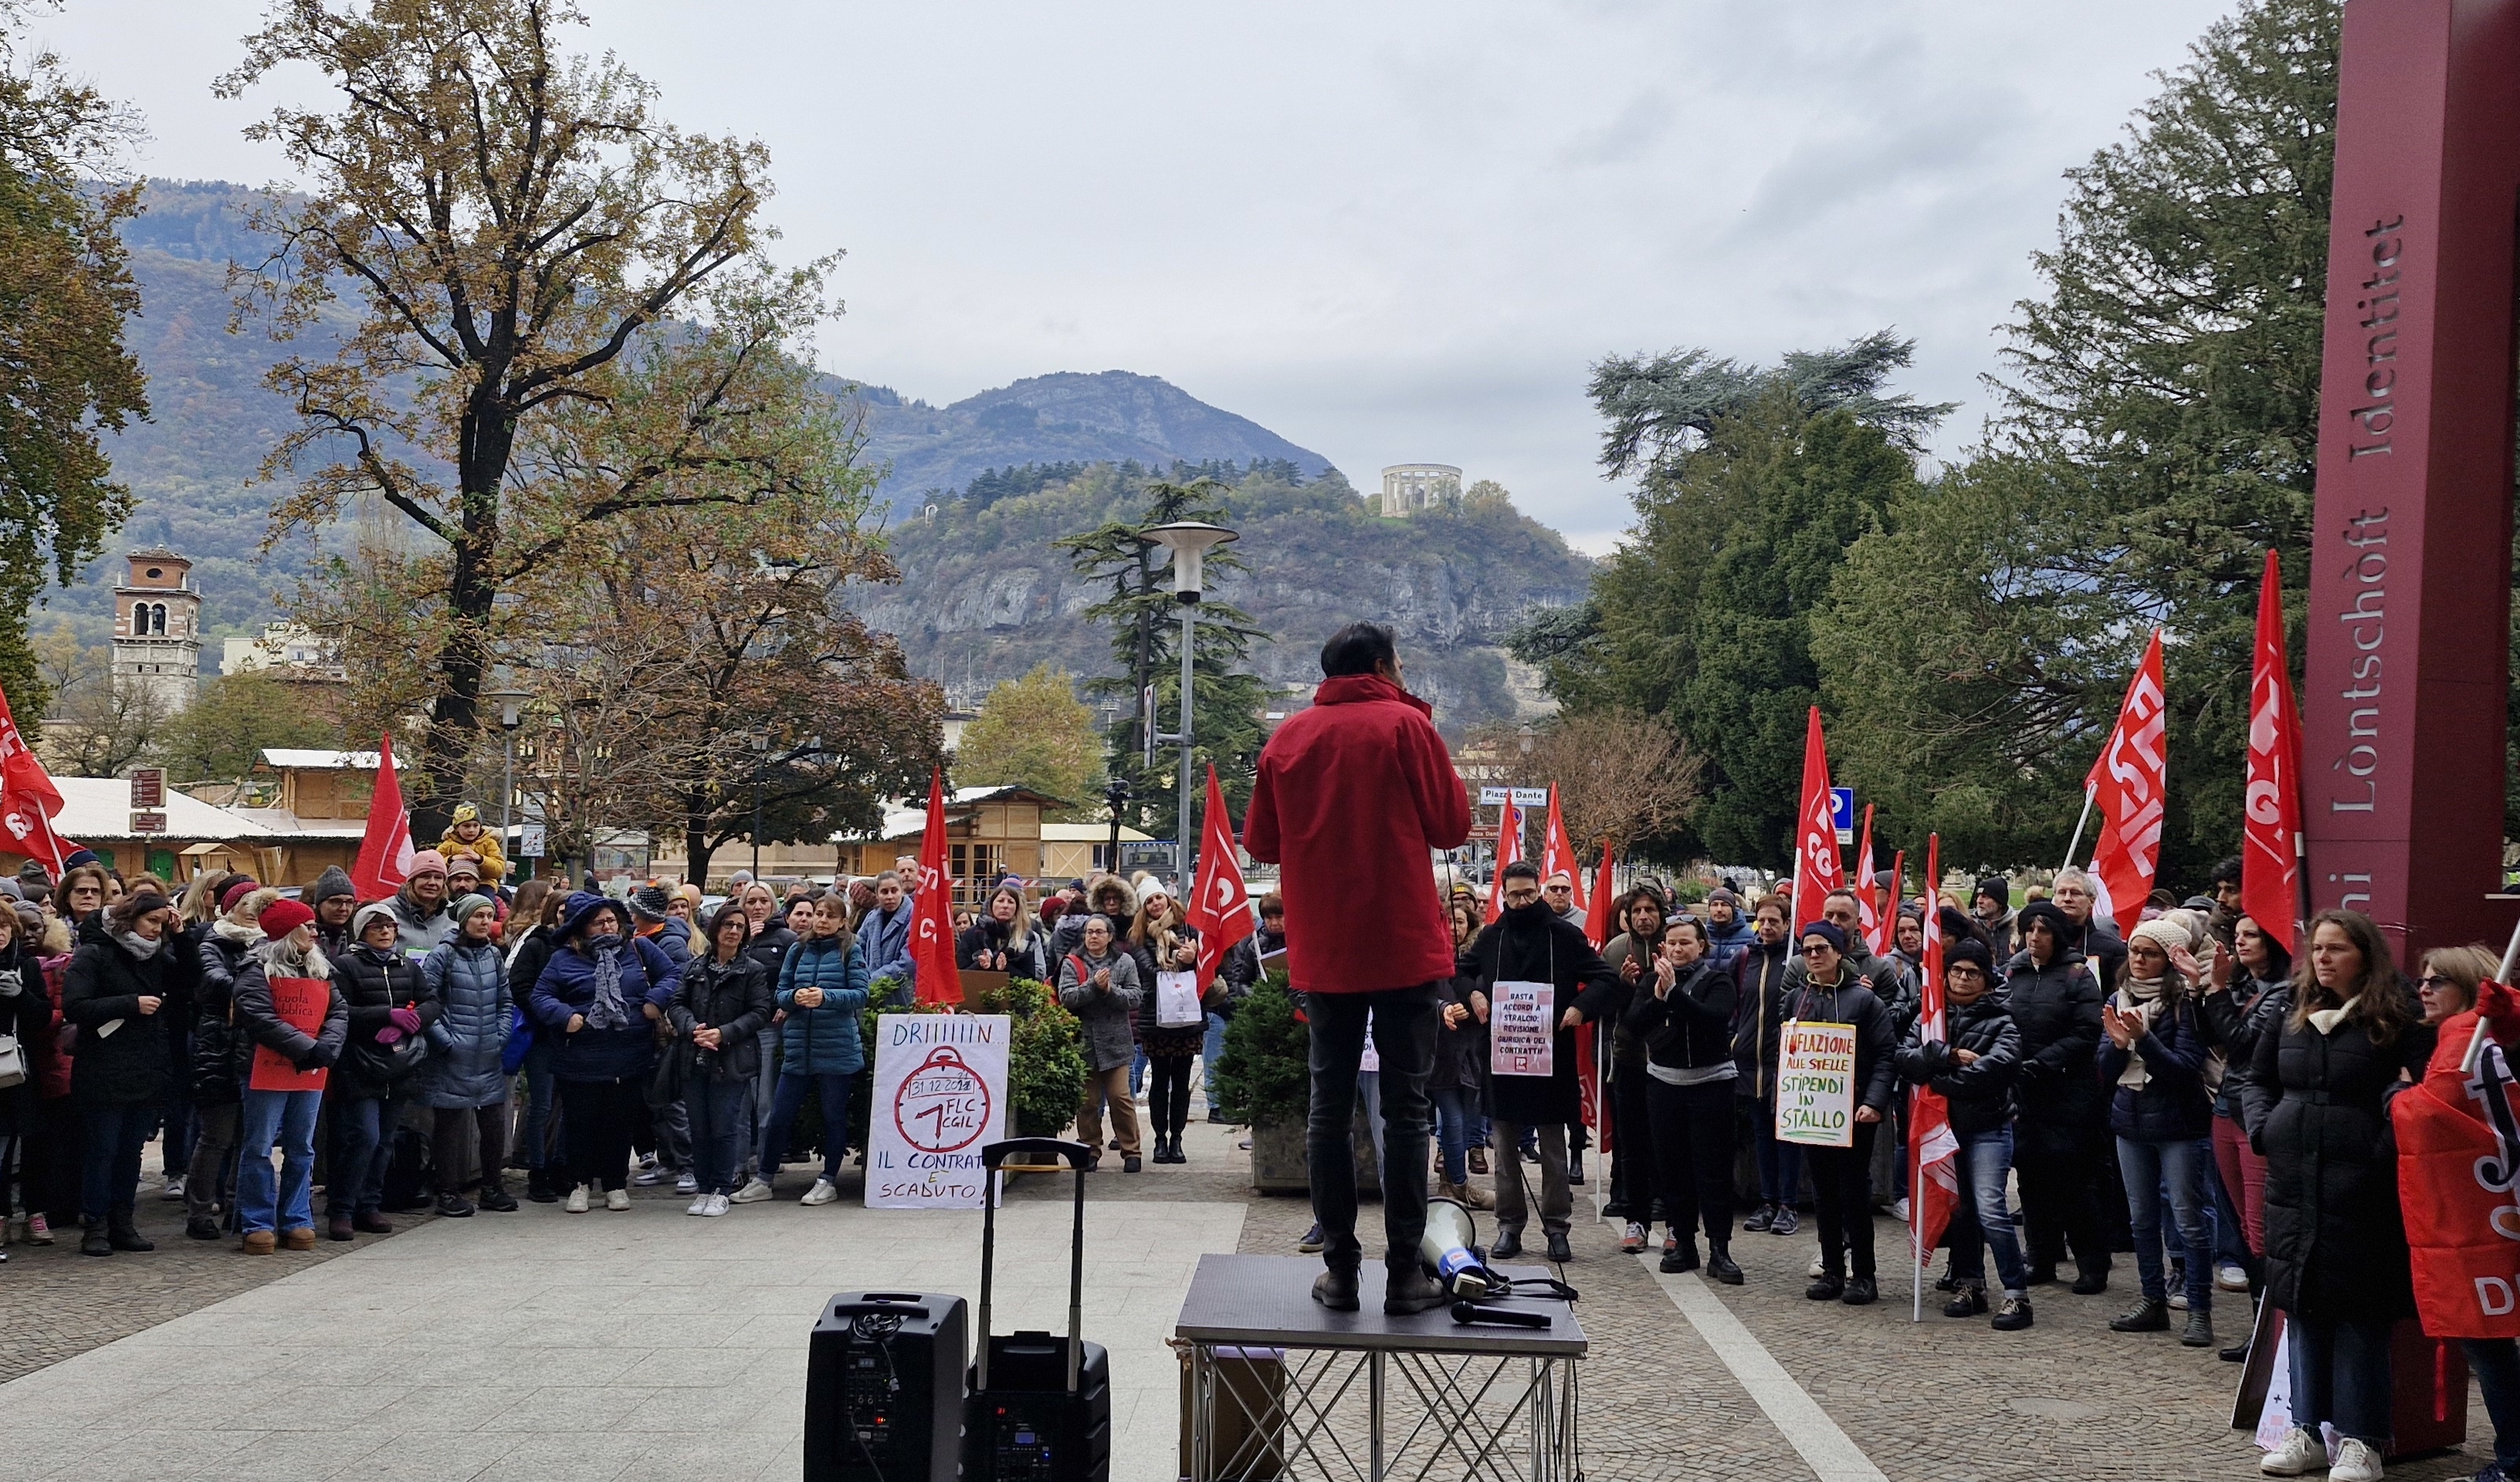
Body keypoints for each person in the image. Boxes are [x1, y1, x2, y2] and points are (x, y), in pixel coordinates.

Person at [1243, 621, 1472, 1315]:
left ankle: (1341, 1272)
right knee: (1407, 1111)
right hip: (1401, 943)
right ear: (1382, 665)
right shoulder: (1406, 727)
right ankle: (1406, 1273)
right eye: (1399, 665)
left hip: (1326, 950)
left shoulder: (1287, 738)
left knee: (1326, 1110)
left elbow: (1261, 842)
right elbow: (1453, 827)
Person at [2248, 910, 2433, 1482]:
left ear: (2365, 956)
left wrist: (2380, 1147)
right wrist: (2266, 1129)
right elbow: (2254, 1080)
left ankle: (2362, 1440)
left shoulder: (2397, 1017)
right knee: (2302, 1306)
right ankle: (2305, 1430)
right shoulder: (2290, 1010)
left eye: (2337, 949)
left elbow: (2422, 1093)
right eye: (2318, 948)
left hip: (2363, 1185)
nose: (2323, 958)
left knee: (2360, 1312)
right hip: (2294, 1181)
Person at [1469, 861, 1621, 1265]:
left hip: (1551, 1060)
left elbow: (1606, 979)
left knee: (1553, 1150)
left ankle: (1557, 1227)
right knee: (1504, 1149)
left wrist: (1579, 1007)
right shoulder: (1492, 936)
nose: (1523, 901)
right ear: (1504, 896)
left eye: (1529, 894)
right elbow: (1459, 972)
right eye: (1515, 895)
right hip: (1502, 1058)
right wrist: (1473, 995)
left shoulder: (1565, 935)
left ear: (1539, 892)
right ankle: (1509, 1226)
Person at [1894, 937, 2033, 1330]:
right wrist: (1947, 1057)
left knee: (1990, 1208)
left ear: (1987, 981)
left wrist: (1938, 1080)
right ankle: (1971, 1283)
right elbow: (1904, 1059)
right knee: (1962, 1211)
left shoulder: (2002, 1020)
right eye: (1956, 971)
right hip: (1942, 1127)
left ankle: (2017, 1295)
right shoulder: (1931, 1017)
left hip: (1987, 1127)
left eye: (1973, 973)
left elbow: (1999, 1069)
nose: (1963, 978)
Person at [2097, 917, 2216, 1347]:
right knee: (2141, 1218)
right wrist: (2115, 1046)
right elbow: (2104, 1072)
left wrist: (2143, 1040)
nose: (2140, 960)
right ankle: (2152, 1301)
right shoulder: (2118, 996)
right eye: (2135, 951)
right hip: (2130, 1121)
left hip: (2179, 1124)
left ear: (2169, 959)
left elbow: (2185, 1071)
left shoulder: (2186, 1001)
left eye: (2150, 953)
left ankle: (2199, 1309)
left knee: (2188, 1219)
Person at [531, 893, 680, 1212]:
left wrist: (654, 1001)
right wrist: (564, 1016)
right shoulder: (563, 959)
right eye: (600, 922)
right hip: (580, 1056)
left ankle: (615, 1184)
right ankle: (580, 1185)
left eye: (612, 920)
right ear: (582, 928)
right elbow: (541, 996)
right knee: (580, 1124)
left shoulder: (639, 948)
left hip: (629, 1053)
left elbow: (674, 975)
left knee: (620, 1123)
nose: (608, 926)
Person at [61, 887, 183, 1256]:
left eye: (162, 925)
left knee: (131, 1152)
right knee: (103, 1150)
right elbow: (76, 1005)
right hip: (104, 1069)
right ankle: (95, 1225)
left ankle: (123, 1222)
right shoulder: (94, 954)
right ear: (131, 919)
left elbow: (189, 984)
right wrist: (129, 1004)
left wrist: (182, 938)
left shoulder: (158, 957)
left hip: (145, 1068)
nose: (155, 931)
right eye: (151, 922)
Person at [1783, 920, 1896, 1304]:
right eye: (1807, 950)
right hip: (1813, 1113)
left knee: (1853, 1193)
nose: (1814, 956)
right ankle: (1832, 1269)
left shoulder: (1865, 1001)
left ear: (1839, 952)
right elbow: (1783, 1053)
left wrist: (1874, 1102)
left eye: (1821, 949)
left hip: (1854, 1113)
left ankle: (1864, 1274)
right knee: (1823, 1193)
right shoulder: (1796, 999)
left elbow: (1885, 1055)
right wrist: (1784, 1103)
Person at [230, 898, 348, 1254]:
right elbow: (258, 1017)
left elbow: (338, 1009)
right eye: (307, 926)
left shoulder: (320, 968)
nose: (314, 931)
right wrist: (307, 1048)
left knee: (302, 1146)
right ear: (287, 932)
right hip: (265, 1070)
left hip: (309, 1069)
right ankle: (258, 1222)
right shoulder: (255, 971)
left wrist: (327, 1046)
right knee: (260, 1146)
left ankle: (297, 1218)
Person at [1627, 916, 1741, 1281]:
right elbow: (1632, 1026)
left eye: (1685, 943)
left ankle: (1720, 1249)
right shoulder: (1653, 982)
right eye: (1672, 943)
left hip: (1712, 1085)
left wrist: (1675, 993)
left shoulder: (1717, 979)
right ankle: (1685, 1245)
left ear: (1701, 946)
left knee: (1713, 1172)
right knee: (1673, 1170)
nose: (1678, 950)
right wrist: (1659, 998)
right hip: (1665, 1085)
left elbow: (1714, 1018)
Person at [736, 891, 867, 1206]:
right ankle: (764, 1179)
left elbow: (862, 994)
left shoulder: (851, 949)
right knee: (780, 1115)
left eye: (830, 916)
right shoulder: (798, 949)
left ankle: (828, 1179)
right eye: (819, 913)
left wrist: (827, 998)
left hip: (837, 1048)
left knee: (833, 1116)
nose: (822, 920)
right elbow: (779, 993)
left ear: (842, 922)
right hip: (798, 1047)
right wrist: (793, 998)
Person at [2007, 898, 2111, 1294]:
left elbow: (2087, 1032)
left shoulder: (2078, 975)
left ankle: (2091, 1263)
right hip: (2025, 1094)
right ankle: (2041, 1257)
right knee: (2031, 1181)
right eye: (2029, 929)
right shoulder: (2012, 972)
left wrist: (2044, 1062)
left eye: (2044, 930)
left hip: (2069, 1093)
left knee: (2075, 1182)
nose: (2035, 938)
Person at [2197, 911, 2292, 1342]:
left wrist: (2216, 990)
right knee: (2241, 1221)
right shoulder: (2241, 985)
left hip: (2253, 1113)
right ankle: (2259, 1329)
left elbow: (2240, 1042)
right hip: (2225, 1106)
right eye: (2237, 936)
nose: (2241, 943)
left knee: (2259, 1229)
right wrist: (2202, 988)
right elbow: (2209, 1036)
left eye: (2251, 935)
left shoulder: (2283, 992)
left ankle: (2270, 1333)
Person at [328, 902, 442, 1239]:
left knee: (386, 1141)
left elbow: (431, 1000)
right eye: (376, 926)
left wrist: (413, 1021)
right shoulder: (345, 966)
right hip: (361, 1064)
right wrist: (384, 1015)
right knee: (364, 1137)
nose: (385, 932)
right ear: (362, 931)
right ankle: (342, 1209)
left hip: (399, 1064)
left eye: (390, 926)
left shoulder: (406, 965)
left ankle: (369, 1205)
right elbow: (340, 1010)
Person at [184, 884, 278, 1240]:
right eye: (244, 904)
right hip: (219, 1047)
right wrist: (257, 985)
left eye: (258, 905)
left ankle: (239, 1206)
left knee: (252, 1136)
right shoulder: (213, 943)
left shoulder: (273, 945)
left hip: (258, 1047)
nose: (251, 911)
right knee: (217, 1135)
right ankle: (199, 1210)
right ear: (229, 908)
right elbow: (214, 979)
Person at [673, 903, 776, 1217]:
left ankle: (721, 1188)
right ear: (715, 928)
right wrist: (692, 1029)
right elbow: (677, 1003)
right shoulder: (695, 967)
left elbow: (760, 1012)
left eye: (739, 927)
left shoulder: (753, 969)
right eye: (728, 925)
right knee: (699, 1127)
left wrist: (724, 1033)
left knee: (724, 1127)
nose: (733, 932)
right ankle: (703, 1188)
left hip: (732, 1059)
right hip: (695, 1056)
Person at [420, 893, 517, 1217]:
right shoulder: (442, 956)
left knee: (493, 1124)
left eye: (489, 916)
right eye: (478, 916)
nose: (485, 922)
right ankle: (447, 1192)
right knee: (448, 1125)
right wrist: (445, 1042)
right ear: (463, 920)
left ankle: (492, 1187)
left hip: (487, 1053)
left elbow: (505, 1002)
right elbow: (427, 1004)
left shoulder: (493, 956)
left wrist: (500, 1036)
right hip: (452, 1056)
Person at [1731, 894, 1800, 1238]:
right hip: (1750, 1061)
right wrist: (1734, 1040)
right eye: (1763, 920)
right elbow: (1734, 1005)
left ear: (1788, 924)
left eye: (1776, 921)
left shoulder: (1798, 961)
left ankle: (1788, 1205)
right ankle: (1767, 1201)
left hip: (1784, 1062)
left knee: (1785, 1134)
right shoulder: (1746, 958)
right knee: (1760, 1133)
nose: (1768, 927)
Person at [1599, 886, 1666, 1243]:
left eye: (1650, 910)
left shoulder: (1675, 944)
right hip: (1628, 1059)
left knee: (1666, 1141)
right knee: (1632, 1140)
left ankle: (1668, 1212)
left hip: (1669, 1061)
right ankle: (1633, 1214)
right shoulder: (1615, 950)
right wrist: (1625, 985)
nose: (1643, 917)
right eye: (1636, 911)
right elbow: (1607, 1006)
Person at [1131, 888, 1213, 1165]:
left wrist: (1194, 959)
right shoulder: (1141, 935)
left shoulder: (1188, 927)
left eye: (1159, 898)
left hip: (1186, 1018)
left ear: (1168, 900)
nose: (1155, 904)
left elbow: (1206, 967)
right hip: (1156, 1018)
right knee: (1159, 1082)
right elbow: (1147, 971)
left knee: (1181, 1082)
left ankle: (1176, 1138)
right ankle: (1159, 1139)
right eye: (1149, 901)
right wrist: (1181, 962)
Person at [1058, 914, 1144, 1172]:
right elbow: (1067, 997)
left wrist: (1110, 991)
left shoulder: (1124, 961)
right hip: (1084, 1044)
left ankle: (1132, 1151)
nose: (1093, 937)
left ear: (1109, 936)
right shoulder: (1072, 962)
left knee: (1121, 1098)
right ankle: (1090, 1149)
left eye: (1099, 932)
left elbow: (1135, 997)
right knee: (1088, 1102)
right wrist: (1093, 987)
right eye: (1089, 932)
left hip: (1116, 1044)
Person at [503, 884, 565, 1202]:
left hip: (576, 1040)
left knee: (568, 1107)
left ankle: (563, 1167)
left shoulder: (586, 945)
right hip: (543, 1036)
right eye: (563, 911)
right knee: (541, 1105)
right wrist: (550, 1013)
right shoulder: (537, 944)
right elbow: (519, 985)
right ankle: (538, 1171)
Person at [1431, 900, 1493, 1210]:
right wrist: (1443, 1009)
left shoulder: (1479, 955)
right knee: (1451, 1120)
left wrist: (1469, 1006)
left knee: (1469, 1121)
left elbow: (1488, 991)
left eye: (1460, 921)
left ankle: (1452, 1181)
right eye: (1449, 922)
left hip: (1473, 1050)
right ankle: (1459, 1183)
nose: (1455, 927)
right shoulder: (1432, 954)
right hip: (1441, 1052)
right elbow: (1422, 996)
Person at [0, 906, 52, 1251]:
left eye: (4, 926)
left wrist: (21, 995)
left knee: (32, 1143)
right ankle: (1, 1215)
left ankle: (35, 1212)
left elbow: (43, 1017)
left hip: (21, 1068)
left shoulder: (27, 965)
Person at [958, 884, 1045, 983]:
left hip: (1013, 996)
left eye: (1010, 902)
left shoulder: (1025, 937)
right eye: (1000, 901)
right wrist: (980, 965)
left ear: (1016, 908)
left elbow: (1031, 978)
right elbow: (962, 974)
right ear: (991, 905)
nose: (1005, 906)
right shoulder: (972, 934)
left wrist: (1005, 968)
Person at [857, 871, 917, 1002]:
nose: (890, 896)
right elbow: (857, 950)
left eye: (894, 891)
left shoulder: (915, 918)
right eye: (884, 892)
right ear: (877, 895)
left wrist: (876, 979)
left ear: (902, 892)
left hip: (901, 996)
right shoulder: (871, 919)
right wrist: (861, 977)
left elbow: (909, 961)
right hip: (870, 994)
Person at [387, 853, 455, 957]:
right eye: (425, 876)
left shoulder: (454, 912)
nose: (432, 882)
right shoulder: (386, 911)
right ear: (412, 881)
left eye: (438, 878)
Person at [2414, 943, 2499, 1025]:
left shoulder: (2479, 1037)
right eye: (2421, 982)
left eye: (2437, 982)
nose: (2423, 990)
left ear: (2470, 988)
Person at [435, 801, 510, 884]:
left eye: (475, 826)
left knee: (486, 897)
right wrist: (451, 859)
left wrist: (480, 859)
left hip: (484, 883)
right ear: (456, 828)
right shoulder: (448, 845)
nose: (471, 830)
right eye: (466, 826)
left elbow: (499, 870)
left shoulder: (489, 843)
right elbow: (435, 865)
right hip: (453, 884)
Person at [306, 865, 358, 961]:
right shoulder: (302, 938)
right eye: (336, 901)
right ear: (319, 904)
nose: (343, 908)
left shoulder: (361, 938)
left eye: (350, 902)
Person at [1703, 889, 1754, 971]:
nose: (1719, 909)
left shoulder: (1751, 938)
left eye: (1724, 905)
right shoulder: (1701, 936)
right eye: (1714, 905)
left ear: (1733, 908)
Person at [1973, 878, 2018, 965]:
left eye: (1985, 897)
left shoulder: (2017, 928)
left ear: (2000, 903)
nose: (1979, 901)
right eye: (1978, 896)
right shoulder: (1972, 928)